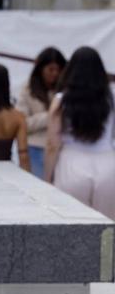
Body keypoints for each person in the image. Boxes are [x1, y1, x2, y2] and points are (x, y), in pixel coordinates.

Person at [45, 46, 115, 219]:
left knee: (73, 229)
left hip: (72, 165)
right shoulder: (112, 97)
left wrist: (46, 179)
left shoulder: (61, 100)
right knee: (107, 233)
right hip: (108, 166)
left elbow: (52, 145)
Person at [16, 46, 66, 178]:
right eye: (50, 69)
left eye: (58, 70)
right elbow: (23, 124)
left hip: (62, 150)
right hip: (35, 149)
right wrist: (52, 115)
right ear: (40, 69)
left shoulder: (66, 90)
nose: (55, 73)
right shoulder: (27, 90)